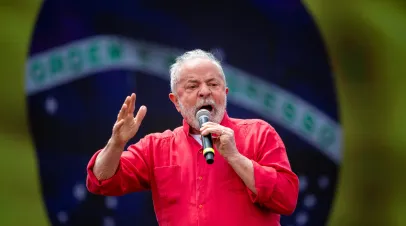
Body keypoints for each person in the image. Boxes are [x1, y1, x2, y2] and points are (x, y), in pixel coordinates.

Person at [86, 49, 299, 226]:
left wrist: (235, 157)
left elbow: (287, 199)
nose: (205, 92)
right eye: (193, 86)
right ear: (176, 101)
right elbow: (101, 181)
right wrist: (116, 143)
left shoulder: (259, 134)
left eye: (213, 85)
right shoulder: (157, 147)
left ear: (225, 92)